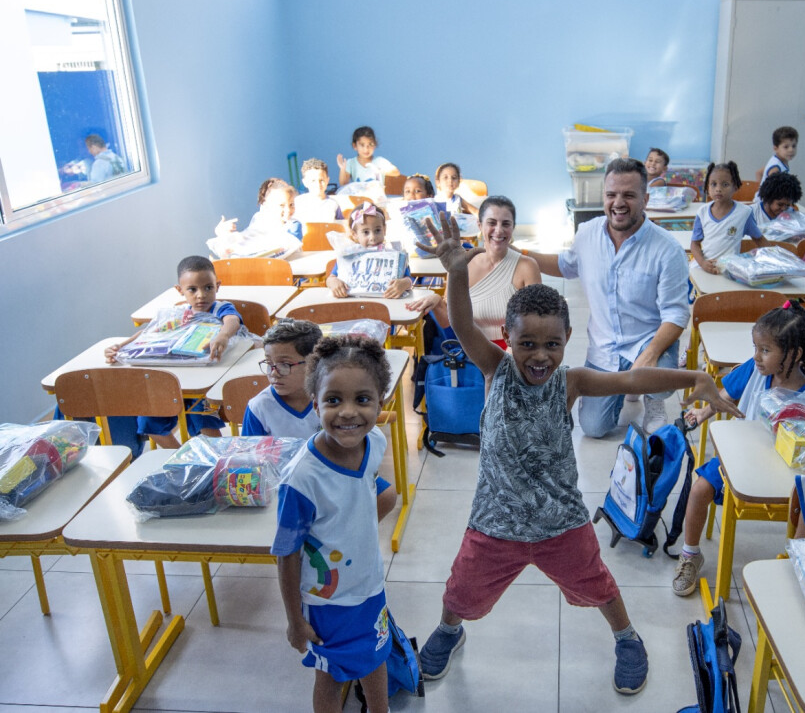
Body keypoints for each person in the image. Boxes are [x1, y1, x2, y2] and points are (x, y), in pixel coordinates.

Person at [414, 215, 739, 694]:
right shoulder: (495, 370)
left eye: (551, 344)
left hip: (561, 523)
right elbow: (461, 323)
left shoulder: (572, 383)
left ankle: (627, 638)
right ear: (508, 336)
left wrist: (694, 378)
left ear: (568, 340)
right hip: (494, 523)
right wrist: (456, 271)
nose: (539, 355)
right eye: (526, 343)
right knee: (460, 590)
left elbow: (631, 379)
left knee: (600, 587)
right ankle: (448, 630)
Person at [523, 157, 690, 436]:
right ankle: (630, 386)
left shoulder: (668, 249)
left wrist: (649, 355)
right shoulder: (587, 233)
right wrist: (519, 256)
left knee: (658, 377)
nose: (618, 203)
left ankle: (651, 397)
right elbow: (565, 265)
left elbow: (676, 314)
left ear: (645, 199)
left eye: (629, 195)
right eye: (611, 195)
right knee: (593, 428)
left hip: (644, 342)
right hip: (604, 348)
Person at [273, 335, 393, 713]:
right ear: (315, 403)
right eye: (333, 400)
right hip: (327, 601)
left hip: (370, 587)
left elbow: (366, 489)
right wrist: (295, 621)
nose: (347, 413)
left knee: (376, 659)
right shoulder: (302, 480)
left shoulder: (374, 441)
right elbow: (286, 554)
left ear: (380, 402)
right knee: (330, 675)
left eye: (362, 399)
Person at [672, 302, 805, 596]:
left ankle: (797, 568)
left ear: (794, 354)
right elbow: (725, 395)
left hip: (779, 472)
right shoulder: (755, 371)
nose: (756, 356)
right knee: (699, 489)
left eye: (765, 350)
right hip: (737, 459)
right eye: (756, 347)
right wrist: (704, 413)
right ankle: (690, 554)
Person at [242, 319, 398, 522]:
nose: (274, 373)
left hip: (340, 472)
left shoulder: (333, 399)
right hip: (288, 484)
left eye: (284, 364)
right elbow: (251, 463)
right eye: (269, 364)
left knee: (386, 496)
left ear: (313, 363)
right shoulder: (259, 407)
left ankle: (348, 533)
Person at [104, 256, 242, 448]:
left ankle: (221, 459)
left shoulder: (220, 308)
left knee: (200, 417)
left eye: (208, 287)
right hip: (175, 379)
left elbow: (232, 321)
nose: (201, 295)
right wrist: (121, 346)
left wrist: (223, 335)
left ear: (217, 286)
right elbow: (148, 332)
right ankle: (182, 457)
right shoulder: (181, 315)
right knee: (148, 422)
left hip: (204, 383)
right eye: (192, 290)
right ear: (180, 290)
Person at [407, 195, 540, 349]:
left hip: (514, 353)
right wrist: (437, 302)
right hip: (471, 354)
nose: (498, 230)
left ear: (513, 227)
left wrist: (506, 363)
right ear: (479, 225)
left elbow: (533, 324)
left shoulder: (527, 266)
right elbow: (448, 322)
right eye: (491, 223)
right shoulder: (462, 264)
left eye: (506, 224)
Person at [689, 161, 768, 273]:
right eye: (713, 184)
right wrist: (702, 263)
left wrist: (774, 260)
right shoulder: (702, 212)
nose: (718, 189)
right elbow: (695, 244)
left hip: (729, 271)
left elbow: (759, 239)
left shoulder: (744, 213)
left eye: (725, 184)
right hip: (704, 268)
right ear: (707, 187)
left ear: (735, 187)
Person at [327, 203, 414, 299]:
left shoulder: (394, 255)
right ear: (354, 234)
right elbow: (331, 278)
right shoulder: (348, 256)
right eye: (366, 232)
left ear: (384, 229)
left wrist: (405, 283)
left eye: (377, 230)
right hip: (353, 305)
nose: (373, 237)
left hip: (388, 305)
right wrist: (333, 282)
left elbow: (410, 279)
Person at [215, 178, 303, 240]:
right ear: (267, 206)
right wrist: (223, 233)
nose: (288, 210)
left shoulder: (294, 224)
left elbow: (290, 244)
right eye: (281, 205)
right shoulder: (261, 221)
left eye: (291, 204)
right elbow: (244, 241)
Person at [294, 159, 343, 224]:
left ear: (327, 180)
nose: (318, 184)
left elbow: (341, 226)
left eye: (321, 180)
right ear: (305, 182)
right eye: (313, 181)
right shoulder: (298, 202)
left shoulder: (333, 204)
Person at [756, 125, 798, 190]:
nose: (791, 150)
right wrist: (760, 192)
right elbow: (773, 190)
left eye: (794, 146)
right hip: (768, 200)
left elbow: (759, 172)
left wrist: (759, 190)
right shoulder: (775, 168)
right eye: (786, 147)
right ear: (776, 149)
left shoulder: (779, 161)